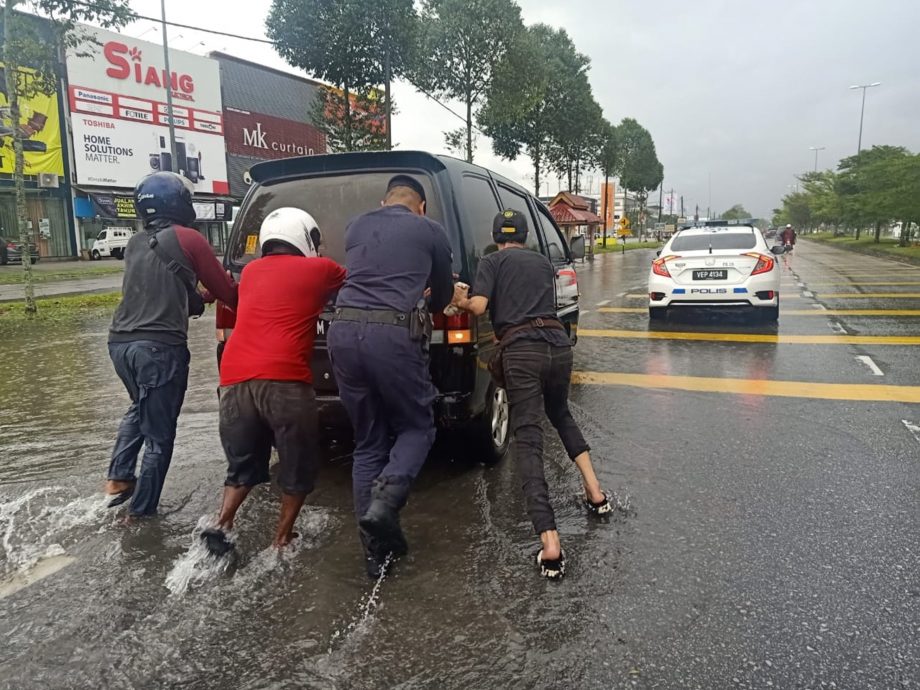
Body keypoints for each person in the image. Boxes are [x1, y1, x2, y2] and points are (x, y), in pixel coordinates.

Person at [451, 209, 612, 580]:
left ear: (497, 237)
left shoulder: (491, 261)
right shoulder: (541, 262)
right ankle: (596, 493)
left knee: (528, 438)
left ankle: (550, 542)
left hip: (523, 351)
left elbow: (479, 307)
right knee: (561, 413)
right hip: (557, 344)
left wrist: (460, 298)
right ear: (524, 236)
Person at [327, 174, 453, 578]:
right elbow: (443, 296)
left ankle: (374, 555)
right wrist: (427, 294)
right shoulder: (430, 230)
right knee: (417, 426)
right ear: (421, 207)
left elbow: (372, 270)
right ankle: (386, 502)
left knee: (368, 442)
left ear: (384, 203)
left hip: (343, 332)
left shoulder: (356, 226)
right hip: (392, 336)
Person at [200, 208, 346, 555]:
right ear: (305, 238)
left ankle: (222, 524)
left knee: (244, 464)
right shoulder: (321, 269)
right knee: (298, 464)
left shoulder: (251, 272)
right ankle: (282, 538)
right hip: (284, 379)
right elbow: (363, 281)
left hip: (234, 378)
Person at [106, 172, 238, 518]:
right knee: (160, 437)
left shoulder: (136, 243)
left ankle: (119, 476)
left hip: (120, 344)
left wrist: (201, 297)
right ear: (180, 203)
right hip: (159, 348)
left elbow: (172, 295)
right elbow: (228, 293)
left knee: (142, 406)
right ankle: (141, 516)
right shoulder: (190, 238)